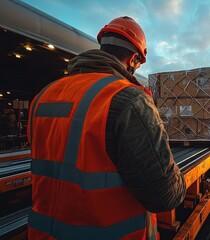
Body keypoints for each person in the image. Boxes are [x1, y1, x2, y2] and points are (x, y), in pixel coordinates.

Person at [27, 16, 186, 240]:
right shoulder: (128, 99)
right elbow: (164, 197)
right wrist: (178, 178)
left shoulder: (43, 96)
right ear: (133, 59)